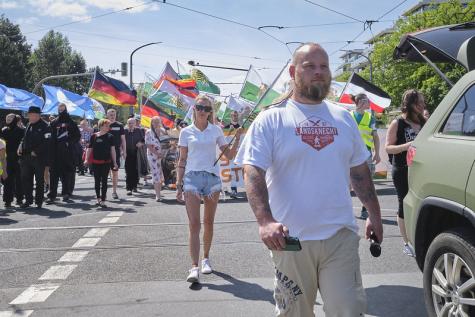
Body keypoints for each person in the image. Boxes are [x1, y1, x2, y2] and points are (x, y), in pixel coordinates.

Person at [236, 43, 383, 316]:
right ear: (293, 72)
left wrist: (374, 214)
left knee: (348, 309)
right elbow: (253, 171)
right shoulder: (270, 119)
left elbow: (360, 172)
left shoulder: (345, 118)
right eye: (310, 66)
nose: (319, 72)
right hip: (290, 240)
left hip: (340, 236)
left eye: (324, 66)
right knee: (296, 312)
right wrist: (265, 221)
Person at [176, 95, 243, 284]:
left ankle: (206, 258)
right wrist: (179, 184)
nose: (202, 111)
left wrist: (236, 140)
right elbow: (182, 160)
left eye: (206, 108)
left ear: (210, 111)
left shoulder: (216, 130)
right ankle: (194, 266)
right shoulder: (185, 132)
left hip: (212, 179)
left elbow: (228, 155)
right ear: (194, 109)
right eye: (199, 107)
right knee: (194, 224)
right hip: (191, 179)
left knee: (209, 222)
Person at [385, 89, 426, 257]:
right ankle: (406, 242)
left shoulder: (424, 121)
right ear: (409, 104)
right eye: (419, 103)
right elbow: (388, 147)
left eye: (423, 102)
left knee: (420, 204)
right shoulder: (398, 123)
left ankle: (418, 237)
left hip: (421, 168)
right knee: (403, 203)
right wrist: (408, 145)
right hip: (402, 169)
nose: (422, 105)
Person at [350, 94, 381, 219]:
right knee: (346, 184)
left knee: (367, 183)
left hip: (365, 154)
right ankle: (346, 210)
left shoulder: (370, 117)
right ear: (360, 102)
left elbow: (375, 136)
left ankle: (365, 210)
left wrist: (377, 154)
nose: (369, 103)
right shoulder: (349, 115)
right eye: (367, 101)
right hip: (349, 154)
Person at [18, 106, 51, 209]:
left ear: (38, 115)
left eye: (32, 115)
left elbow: (47, 142)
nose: (30, 117)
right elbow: (24, 138)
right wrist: (20, 146)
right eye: (29, 115)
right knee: (26, 179)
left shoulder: (46, 126)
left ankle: (39, 201)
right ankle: (28, 200)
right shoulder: (28, 124)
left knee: (39, 180)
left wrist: (36, 151)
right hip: (26, 157)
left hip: (38, 158)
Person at [47, 104, 81, 204]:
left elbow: (77, 136)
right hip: (55, 153)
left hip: (67, 152)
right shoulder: (53, 122)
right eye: (59, 109)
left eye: (63, 109)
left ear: (66, 109)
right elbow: (49, 136)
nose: (61, 111)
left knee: (66, 174)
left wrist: (68, 142)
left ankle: (66, 193)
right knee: (53, 175)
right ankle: (52, 195)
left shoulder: (71, 122)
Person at [85, 119, 118, 208]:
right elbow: (89, 149)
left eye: (109, 126)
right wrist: (86, 160)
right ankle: (98, 198)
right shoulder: (94, 136)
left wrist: (115, 162)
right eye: (106, 125)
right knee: (97, 181)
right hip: (95, 162)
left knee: (104, 181)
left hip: (106, 162)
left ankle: (103, 200)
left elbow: (113, 150)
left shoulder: (110, 136)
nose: (108, 127)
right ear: (101, 126)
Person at [0, 114, 24, 207]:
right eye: (7, 118)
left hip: (18, 158)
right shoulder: (3, 130)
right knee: (7, 180)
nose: (8, 119)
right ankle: (7, 200)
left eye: (10, 118)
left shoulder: (21, 130)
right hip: (7, 158)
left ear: (14, 119)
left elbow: (23, 143)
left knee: (19, 180)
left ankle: (20, 199)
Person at [107, 108, 126, 199]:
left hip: (116, 151)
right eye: (110, 114)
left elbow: (123, 140)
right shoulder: (103, 124)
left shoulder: (119, 125)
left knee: (115, 171)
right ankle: (102, 192)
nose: (112, 116)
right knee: (104, 172)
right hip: (104, 151)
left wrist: (124, 151)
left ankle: (114, 191)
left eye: (113, 114)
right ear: (107, 115)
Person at [223, 110, 241, 199]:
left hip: (237, 152)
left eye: (236, 115)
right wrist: (229, 132)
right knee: (227, 170)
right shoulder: (226, 127)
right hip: (228, 152)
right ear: (231, 116)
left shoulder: (241, 127)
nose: (235, 116)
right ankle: (225, 188)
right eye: (233, 115)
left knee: (234, 171)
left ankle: (234, 190)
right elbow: (223, 141)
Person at [145, 116, 164, 201]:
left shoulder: (163, 131)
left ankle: (159, 192)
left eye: (157, 122)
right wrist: (157, 153)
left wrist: (163, 153)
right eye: (154, 122)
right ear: (151, 123)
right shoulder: (149, 132)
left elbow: (169, 142)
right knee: (156, 174)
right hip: (153, 156)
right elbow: (148, 145)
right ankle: (158, 195)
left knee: (161, 175)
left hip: (163, 156)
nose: (156, 123)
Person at [124, 117, 145, 195]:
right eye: (129, 123)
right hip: (128, 153)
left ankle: (135, 186)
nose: (131, 125)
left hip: (137, 153)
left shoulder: (139, 130)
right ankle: (129, 188)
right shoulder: (125, 131)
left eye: (132, 123)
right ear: (127, 124)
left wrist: (141, 143)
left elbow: (143, 140)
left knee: (136, 170)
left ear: (135, 123)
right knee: (128, 171)